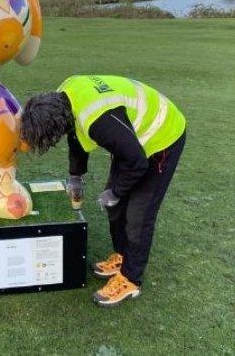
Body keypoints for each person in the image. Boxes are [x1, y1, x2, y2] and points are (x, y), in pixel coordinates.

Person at [20, 74, 186, 307]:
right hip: (130, 143)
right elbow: (75, 137)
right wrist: (75, 175)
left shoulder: (98, 121)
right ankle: (122, 255)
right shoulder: (64, 94)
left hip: (162, 138)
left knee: (139, 214)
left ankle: (130, 279)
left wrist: (116, 192)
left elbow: (137, 162)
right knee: (115, 207)